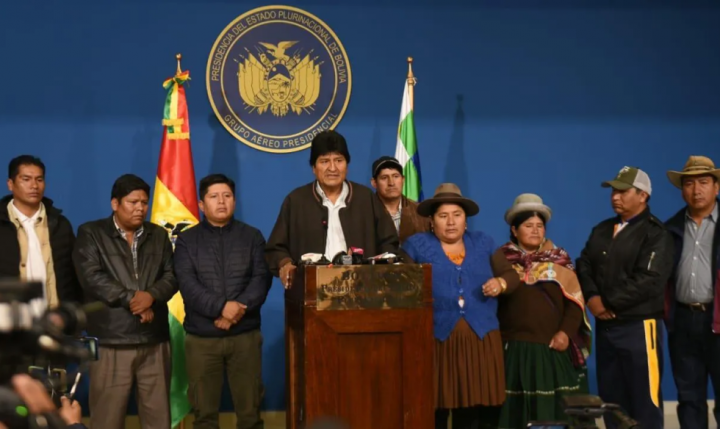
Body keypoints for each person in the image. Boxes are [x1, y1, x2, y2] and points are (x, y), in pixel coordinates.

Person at [400, 183, 520, 429]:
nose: (451, 222)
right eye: (443, 216)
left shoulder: (483, 243)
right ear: (431, 221)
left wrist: (500, 283)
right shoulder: (416, 246)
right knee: (436, 408)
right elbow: (400, 286)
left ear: (466, 220)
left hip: (480, 342)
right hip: (437, 342)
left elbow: (511, 276)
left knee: (475, 414)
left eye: (457, 215)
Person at [72, 174, 177, 429]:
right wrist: (135, 300)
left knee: (159, 420)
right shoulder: (91, 233)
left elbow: (172, 275)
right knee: (107, 419)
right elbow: (92, 278)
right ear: (115, 204)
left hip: (154, 339)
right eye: (133, 202)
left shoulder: (158, 235)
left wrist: (151, 296)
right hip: (111, 339)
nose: (140, 208)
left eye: (144, 202)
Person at [576, 166, 674, 429]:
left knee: (644, 401)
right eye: (613, 192)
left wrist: (606, 303)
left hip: (639, 327)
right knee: (612, 401)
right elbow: (583, 264)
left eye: (622, 191)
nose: (615, 197)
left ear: (643, 195)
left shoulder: (656, 234)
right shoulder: (602, 229)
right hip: (607, 328)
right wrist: (592, 298)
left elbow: (649, 280)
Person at [174, 174, 272, 429]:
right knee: (204, 418)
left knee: (250, 416)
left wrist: (236, 310)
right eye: (214, 196)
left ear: (234, 201)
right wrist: (221, 307)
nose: (221, 201)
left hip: (244, 336)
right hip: (202, 339)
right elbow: (188, 285)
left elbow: (261, 279)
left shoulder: (252, 236)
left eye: (227, 196)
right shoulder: (186, 240)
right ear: (201, 204)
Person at [494, 194, 591, 428]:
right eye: (528, 226)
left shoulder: (559, 260)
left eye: (540, 226)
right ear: (514, 230)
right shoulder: (500, 260)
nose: (535, 230)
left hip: (551, 348)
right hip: (512, 349)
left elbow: (575, 302)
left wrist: (565, 333)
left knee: (555, 413)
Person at [265, 130, 399, 288]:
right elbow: (275, 248)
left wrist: (383, 267)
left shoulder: (366, 198)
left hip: (361, 290)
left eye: (339, 160)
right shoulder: (296, 201)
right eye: (324, 161)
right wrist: (285, 264)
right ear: (314, 167)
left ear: (347, 166)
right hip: (311, 290)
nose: (332, 168)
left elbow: (389, 242)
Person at [664, 155, 720, 429]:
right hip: (684, 321)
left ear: (716, 187)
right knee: (689, 399)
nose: (696, 190)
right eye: (689, 183)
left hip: (718, 320)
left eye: (704, 182)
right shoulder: (670, 229)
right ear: (682, 190)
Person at [0, 155, 81, 307]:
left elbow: (74, 276)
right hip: (10, 316)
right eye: (26, 179)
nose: (34, 186)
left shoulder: (60, 225)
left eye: (39, 179)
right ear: (10, 184)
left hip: (54, 316)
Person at [370, 155, 430, 243]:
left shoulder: (420, 212)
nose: (391, 183)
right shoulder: (364, 212)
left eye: (396, 176)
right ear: (374, 183)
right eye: (384, 178)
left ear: (403, 180)